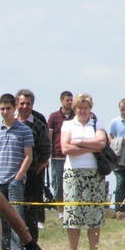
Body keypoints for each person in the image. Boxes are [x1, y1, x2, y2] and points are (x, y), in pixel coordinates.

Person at [60, 93, 108, 250]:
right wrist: (90, 145)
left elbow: (101, 143)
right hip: (73, 174)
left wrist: (78, 144)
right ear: (75, 108)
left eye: (85, 107)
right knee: (74, 215)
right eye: (79, 107)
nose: (82, 110)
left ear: (90, 109)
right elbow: (65, 148)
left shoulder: (97, 123)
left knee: (94, 215)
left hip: (94, 174)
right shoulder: (67, 124)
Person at [0, 93, 33, 250]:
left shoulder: (24, 130)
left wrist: (18, 177)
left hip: (14, 181)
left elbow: (28, 156)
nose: (5, 112)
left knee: (16, 217)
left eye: (8, 108)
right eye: (2, 109)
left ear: (14, 109)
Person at [16, 89, 51, 241]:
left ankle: (32, 244)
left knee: (30, 211)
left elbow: (45, 148)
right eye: (22, 103)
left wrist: (39, 166)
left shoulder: (38, 125)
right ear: (17, 104)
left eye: (28, 104)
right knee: (13, 210)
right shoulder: (10, 122)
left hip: (32, 175)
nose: (24, 106)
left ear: (32, 105)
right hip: (12, 173)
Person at [47, 91, 74, 219]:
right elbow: (49, 137)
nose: (69, 102)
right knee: (58, 184)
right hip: (57, 155)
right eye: (67, 100)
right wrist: (48, 154)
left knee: (72, 183)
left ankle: (71, 209)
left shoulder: (76, 116)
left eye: (71, 100)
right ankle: (60, 212)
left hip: (72, 155)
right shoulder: (54, 116)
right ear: (61, 100)